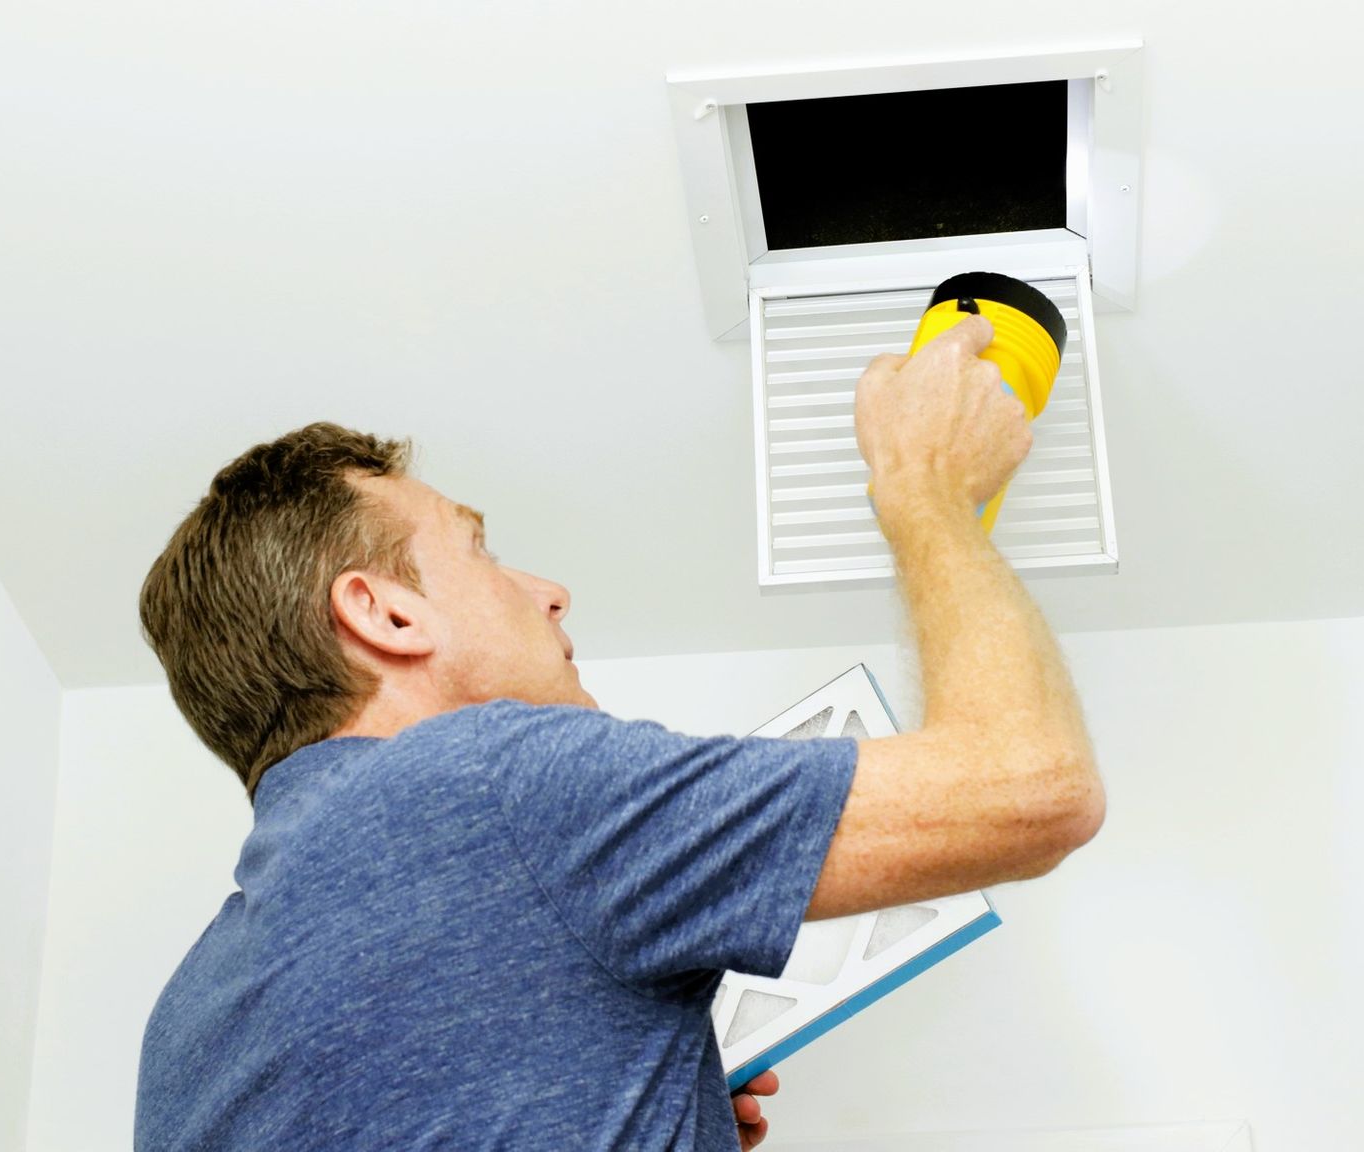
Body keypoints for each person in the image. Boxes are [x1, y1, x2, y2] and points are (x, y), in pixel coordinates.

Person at [132, 312, 1106, 1149]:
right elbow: (1033, 784)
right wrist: (925, 486)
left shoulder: (182, 1027)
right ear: (385, 614)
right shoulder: (487, 783)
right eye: (483, 549)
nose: (548, 592)